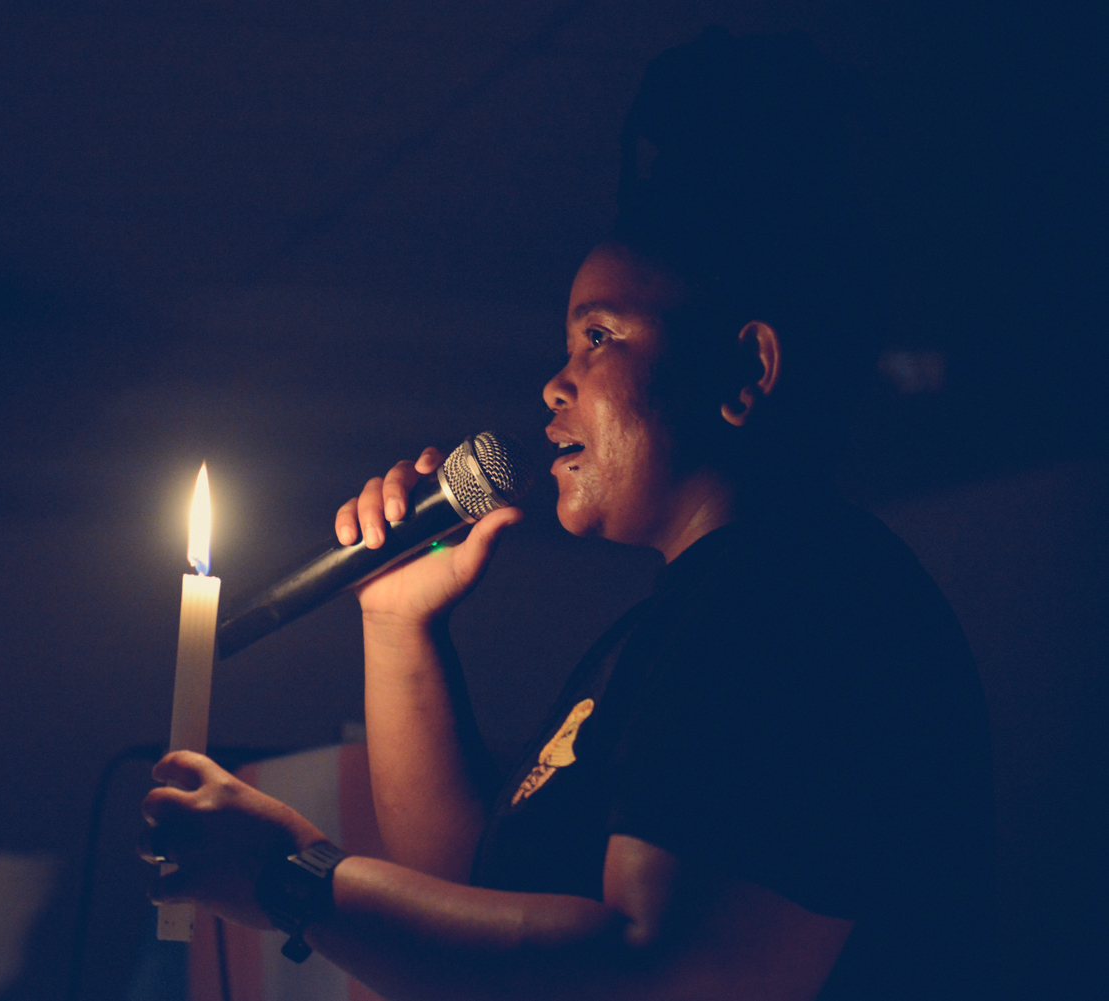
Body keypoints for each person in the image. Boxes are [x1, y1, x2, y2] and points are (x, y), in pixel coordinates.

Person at [141, 29, 995, 1001]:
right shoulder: (680, 623)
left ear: (746, 370)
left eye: (599, 336)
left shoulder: (799, 602)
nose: (555, 383)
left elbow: (665, 973)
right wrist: (398, 621)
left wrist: (291, 879)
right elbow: (479, 896)